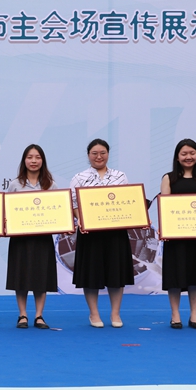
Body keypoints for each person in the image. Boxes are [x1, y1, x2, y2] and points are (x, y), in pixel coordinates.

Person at [70, 138, 134, 328]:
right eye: (94, 153)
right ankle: (94, 314)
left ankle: (115, 314)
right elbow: (73, 204)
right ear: (88, 155)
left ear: (108, 154)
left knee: (116, 274)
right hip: (90, 234)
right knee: (91, 275)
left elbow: (128, 201)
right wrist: (82, 220)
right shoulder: (79, 178)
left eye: (103, 153)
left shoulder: (120, 176)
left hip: (116, 233)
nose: (99, 157)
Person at [160, 139, 196, 329]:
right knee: (175, 276)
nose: (188, 157)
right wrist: (165, 228)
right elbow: (165, 208)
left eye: (192, 153)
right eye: (184, 154)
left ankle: (194, 316)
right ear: (177, 157)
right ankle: (175, 315)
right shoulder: (168, 178)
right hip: (175, 237)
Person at [6, 144, 58, 330]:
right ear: (24, 160)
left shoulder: (51, 185)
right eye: (30, 157)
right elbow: (6, 211)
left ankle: (39, 315)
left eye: (37, 157)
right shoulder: (15, 184)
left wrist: (64, 224)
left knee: (41, 276)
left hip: (42, 239)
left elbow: (58, 212)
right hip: (20, 239)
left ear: (42, 160)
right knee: (20, 276)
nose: (33, 161)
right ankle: (22, 315)